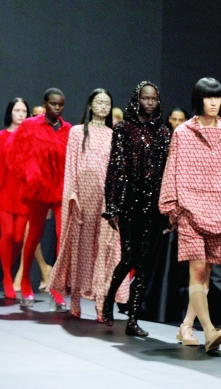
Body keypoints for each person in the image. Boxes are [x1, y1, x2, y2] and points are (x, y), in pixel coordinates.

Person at [159, 78, 221, 352]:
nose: (214, 102)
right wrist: (171, 204)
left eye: (218, 97)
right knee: (197, 269)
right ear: (199, 100)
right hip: (189, 209)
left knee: (206, 271)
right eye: (209, 97)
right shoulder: (183, 133)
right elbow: (173, 168)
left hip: (220, 210)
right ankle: (209, 330)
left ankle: (186, 326)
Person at [49, 89, 128, 318]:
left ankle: (102, 303)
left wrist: (115, 199)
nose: (103, 106)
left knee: (105, 249)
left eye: (107, 103)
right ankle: (74, 300)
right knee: (79, 248)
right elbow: (71, 165)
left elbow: (117, 170)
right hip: (82, 197)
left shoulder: (114, 135)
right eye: (99, 102)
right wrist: (72, 195)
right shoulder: (76, 132)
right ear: (91, 105)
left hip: (105, 198)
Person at [102, 82, 172, 335]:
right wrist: (112, 206)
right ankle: (109, 299)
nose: (150, 103)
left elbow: (168, 172)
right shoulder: (122, 129)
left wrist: (169, 208)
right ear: (137, 99)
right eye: (146, 98)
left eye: (154, 98)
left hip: (154, 206)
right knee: (129, 258)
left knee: (144, 263)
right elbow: (115, 168)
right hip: (130, 202)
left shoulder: (163, 132)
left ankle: (132, 319)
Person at [7, 89, 71, 308]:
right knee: (34, 234)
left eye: (61, 105)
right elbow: (13, 153)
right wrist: (28, 176)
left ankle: (55, 286)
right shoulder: (31, 126)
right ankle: (25, 281)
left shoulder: (68, 130)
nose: (57, 108)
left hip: (61, 188)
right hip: (37, 188)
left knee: (62, 234)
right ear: (45, 104)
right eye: (53, 104)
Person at [0, 98, 29, 299]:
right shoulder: (1, 136)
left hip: (23, 194)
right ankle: (8, 278)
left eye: (24, 111)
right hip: (4, 192)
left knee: (19, 238)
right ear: (10, 112)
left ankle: (6, 270)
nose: (20, 114)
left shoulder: (31, 137)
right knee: (8, 234)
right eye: (17, 110)